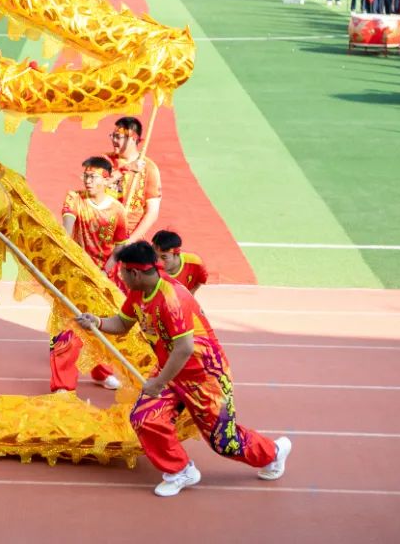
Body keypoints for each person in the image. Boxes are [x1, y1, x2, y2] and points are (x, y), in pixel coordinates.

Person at [74, 242, 291, 497]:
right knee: (145, 417)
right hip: (172, 371)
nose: (119, 276)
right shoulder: (138, 293)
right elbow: (122, 323)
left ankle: (274, 453)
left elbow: (184, 348)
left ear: (134, 273)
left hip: (204, 377)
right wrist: (96, 322)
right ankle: (180, 470)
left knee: (225, 443)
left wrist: (157, 382)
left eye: (122, 272)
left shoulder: (172, 298)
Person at [50, 156, 128, 393]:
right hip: (75, 275)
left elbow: (119, 244)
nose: (87, 180)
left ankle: (102, 373)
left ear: (105, 179)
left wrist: (108, 266)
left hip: (102, 278)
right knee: (68, 328)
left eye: (92, 176)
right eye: (85, 175)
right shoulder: (74, 198)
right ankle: (62, 384)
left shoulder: (117, 209)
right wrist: (69, 248)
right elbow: (67, 225)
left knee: (101, 326)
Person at [105, 117, 161, 243]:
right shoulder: (104, 161)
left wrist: (129, 242)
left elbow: (152, 213)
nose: (113, 140)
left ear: (133, 138)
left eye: (118, 137)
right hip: (100, 233)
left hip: (129, 237)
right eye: (112, 136)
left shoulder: (149, 168)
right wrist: (127, 168)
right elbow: (94, 188)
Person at [151, 230, 208, 294]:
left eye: (164, 257)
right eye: (155, 255)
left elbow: (201, 279)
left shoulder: (195, 263)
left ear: (176, 254)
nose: (158, 261)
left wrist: (190, 293)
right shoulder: (148, 267)